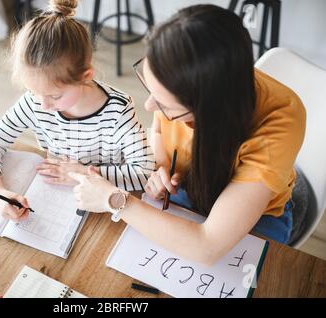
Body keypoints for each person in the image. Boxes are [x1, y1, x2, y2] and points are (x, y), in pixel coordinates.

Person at [69, 4, 306, 265]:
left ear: (209, 111)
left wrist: (114, 199)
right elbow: (159, 129)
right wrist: (159, 170)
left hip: (259, 215)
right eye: (151, 89)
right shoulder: (178, 74)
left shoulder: (281, 119)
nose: (149, 106)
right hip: (190, 186)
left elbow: (207, 247)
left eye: (166, 106)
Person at [0, 0, 155, 222]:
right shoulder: (34, 102)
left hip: (108, 206)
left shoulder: (118, 112)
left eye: (55, 96)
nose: (43, 105)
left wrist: (79, 173)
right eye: (33, 91)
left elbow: (146, 173)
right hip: (59, 202)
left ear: (85, 76)